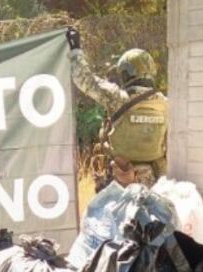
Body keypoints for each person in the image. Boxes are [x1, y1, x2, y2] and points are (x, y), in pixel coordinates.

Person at [66, 28, 168, 189]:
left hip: (120, 175)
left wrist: (75, 49)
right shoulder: (165, 104)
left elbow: (84, 79)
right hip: (155, 179)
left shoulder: (117, 98)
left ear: (126, 74)